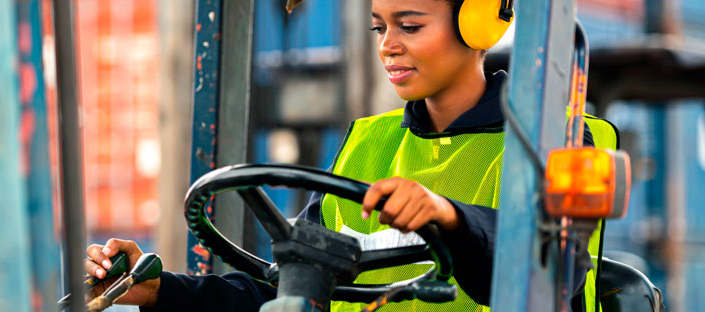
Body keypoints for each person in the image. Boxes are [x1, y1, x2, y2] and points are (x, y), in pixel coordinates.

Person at [84, 0, 619, 311]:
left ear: (479, 24)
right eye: (379, 27)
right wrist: (158, 289)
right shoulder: (370, 143)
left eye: (409, 26)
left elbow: (548, 276)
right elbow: (292, 288)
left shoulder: (552, 140)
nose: (387, 44)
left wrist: (449, 217)